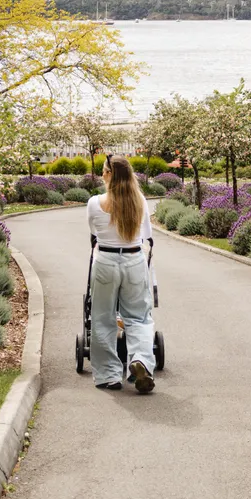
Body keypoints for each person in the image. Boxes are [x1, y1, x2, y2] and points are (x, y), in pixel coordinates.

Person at [87, 154, 156, 394]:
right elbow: (146, 235)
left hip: (105, 260)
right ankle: (141, 361)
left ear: (108, 174)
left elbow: (93, 233)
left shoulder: (95, 203)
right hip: (134, 260)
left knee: (103, 317)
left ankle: (108, 375)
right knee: (138, 317)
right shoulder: (140, 202)